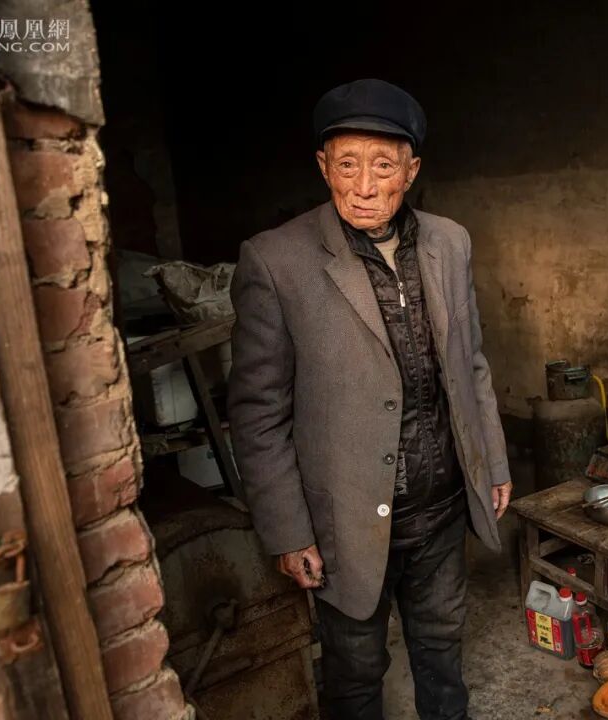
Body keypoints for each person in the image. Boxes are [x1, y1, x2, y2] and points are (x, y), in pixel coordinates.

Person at [227, 78, 512, 720]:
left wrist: (491, 462)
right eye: (346, 164)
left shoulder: (449, 243)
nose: (363, 186)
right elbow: (257, 413)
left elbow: (471, 363)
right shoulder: (275, 260)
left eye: (382, 166)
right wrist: (288, 529)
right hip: (345, 524)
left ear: (411, 171)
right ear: (322, 166)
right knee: (355, 673)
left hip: (441, 507)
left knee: (441, 650)